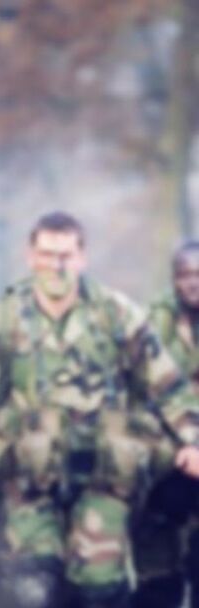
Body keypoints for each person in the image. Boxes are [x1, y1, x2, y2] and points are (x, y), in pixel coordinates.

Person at [0, 212, 199, 607]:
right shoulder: (7, 319)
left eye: (65, 255)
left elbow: (168, 386)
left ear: (81, 257)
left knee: (100, 586)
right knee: (34, 586)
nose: (56, 266)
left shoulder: (115, 314)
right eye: (47, 255)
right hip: (30, 481)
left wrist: (192, 441)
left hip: (103, 477)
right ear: (31, 257)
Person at [130, 241, 199, 607]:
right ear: (173, 280)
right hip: (169, 447)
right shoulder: (153, 323)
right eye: (185, 275)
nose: (194, 283)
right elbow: (142, 390)